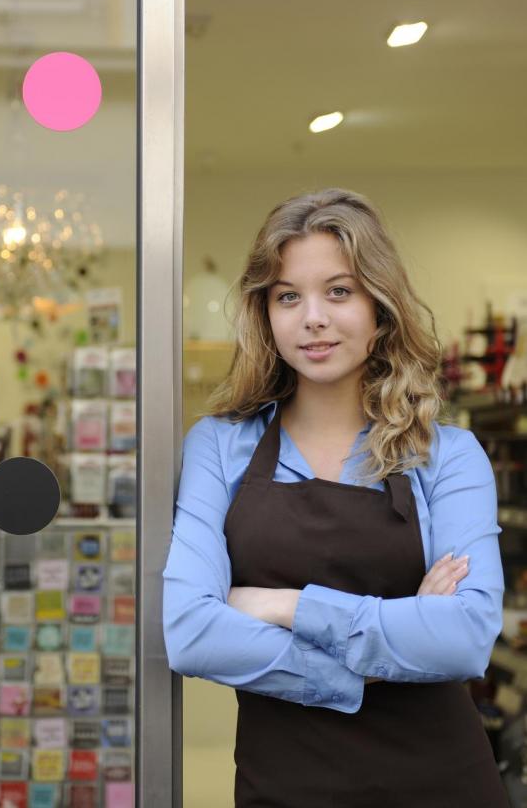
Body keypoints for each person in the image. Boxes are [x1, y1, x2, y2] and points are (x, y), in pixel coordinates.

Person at [162, 187, 510, 807]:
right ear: (264, 314)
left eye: (339, 291)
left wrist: (281, 605)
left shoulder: (447, 456)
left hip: (440, 781)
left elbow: (462, 640)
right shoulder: (219, 447)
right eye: (288, 296)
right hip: (283, 784)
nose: (312, 317)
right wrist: (384, 657)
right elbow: (192, 632)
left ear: (380, 308)